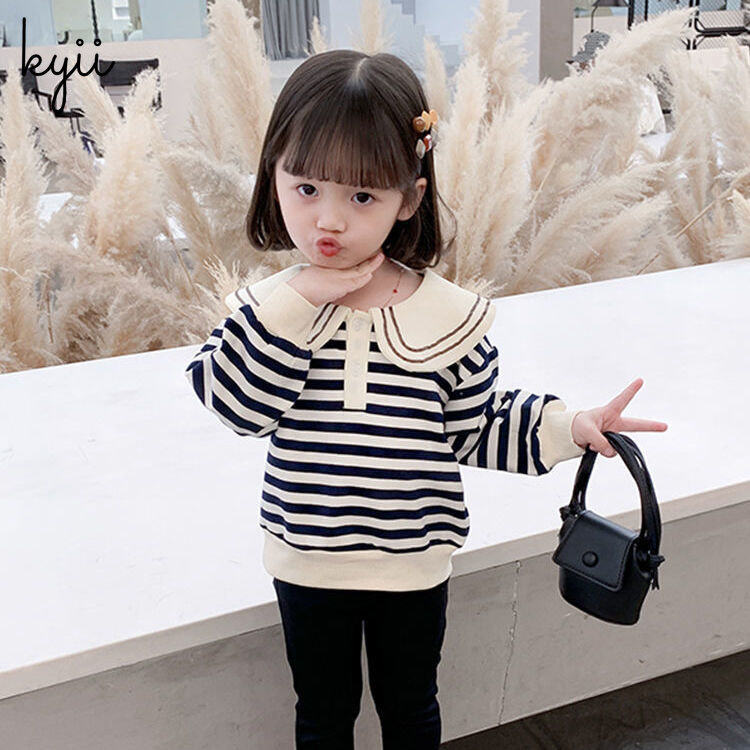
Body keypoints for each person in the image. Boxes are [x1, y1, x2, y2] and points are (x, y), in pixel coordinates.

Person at [184, 49, 668, 750]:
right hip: (306, 559)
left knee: (411, 710)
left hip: (412, 563)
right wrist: (300, 301)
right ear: (273, 177)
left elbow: (477, 426)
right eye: (306, 187)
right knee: (322, 714)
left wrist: (572, 427)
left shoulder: (447, 316)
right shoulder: (267, 310)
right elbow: (237, 407)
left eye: (361, 197)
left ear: (408, 199)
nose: (328, 220)